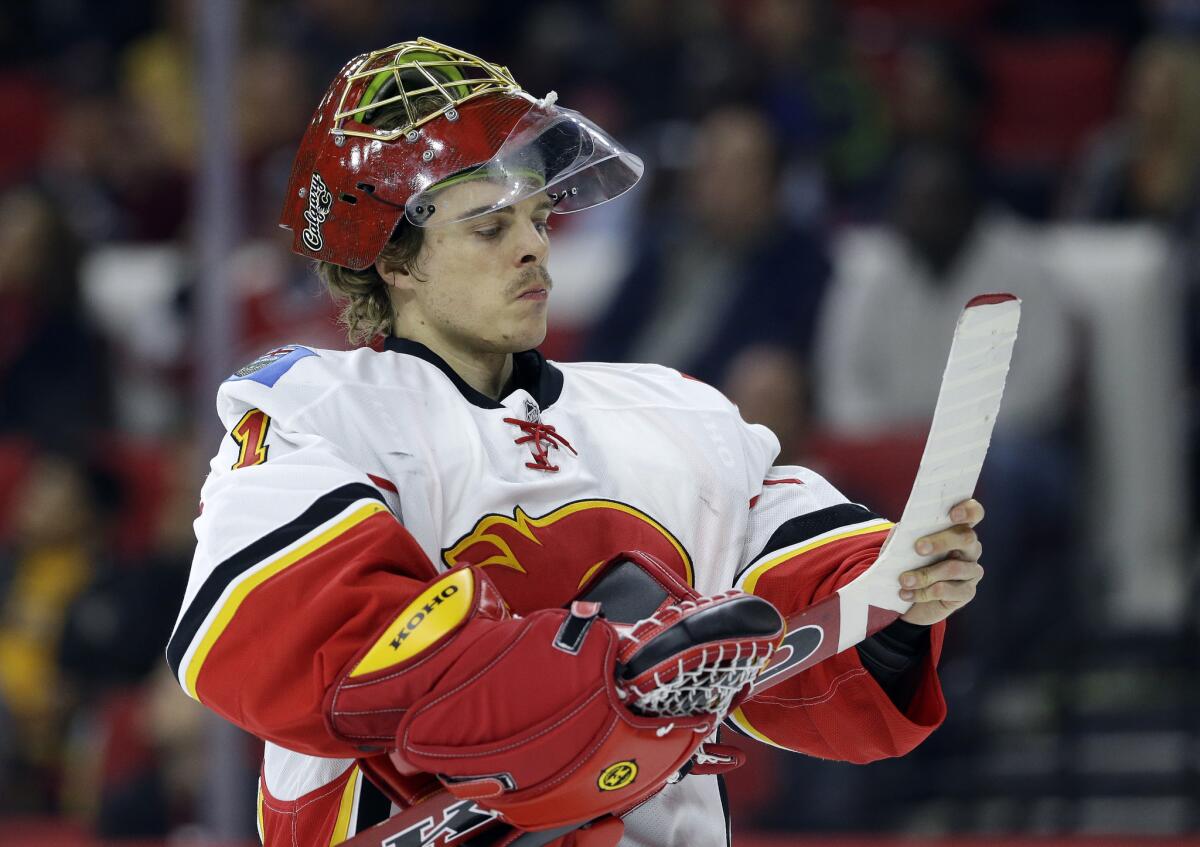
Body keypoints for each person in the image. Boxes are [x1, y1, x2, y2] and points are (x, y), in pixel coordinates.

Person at [167, 38, 987, 847]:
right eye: (490, 227)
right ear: (395, 258)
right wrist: (602, 674)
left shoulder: (676, 411)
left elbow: (823, 607)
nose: (534, 246)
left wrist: (906, 591)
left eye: (537, 216)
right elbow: (295, 639)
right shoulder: (315, 411)